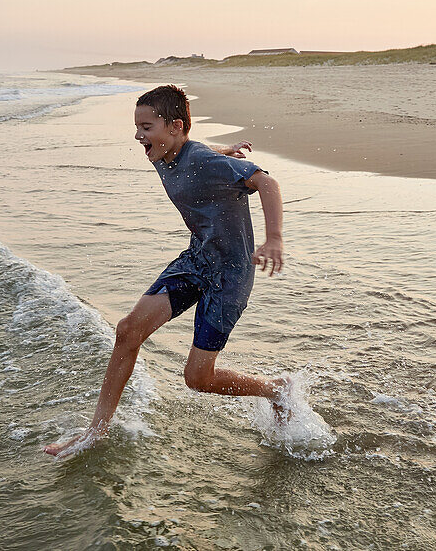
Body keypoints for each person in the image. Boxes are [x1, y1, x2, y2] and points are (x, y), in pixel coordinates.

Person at [44, 84, 288, 458]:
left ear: (174, 127)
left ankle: (275, 389)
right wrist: (223, 150)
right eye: (137, 126)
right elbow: (200, 148)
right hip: (196, 260)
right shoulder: (168, 154)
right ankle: (96, 432)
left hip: (229, 275)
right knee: (128, 330)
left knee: (198, 379)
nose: (138, 135)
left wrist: (274, 239)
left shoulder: (204, 163)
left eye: (146, 127)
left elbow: (265, 181)